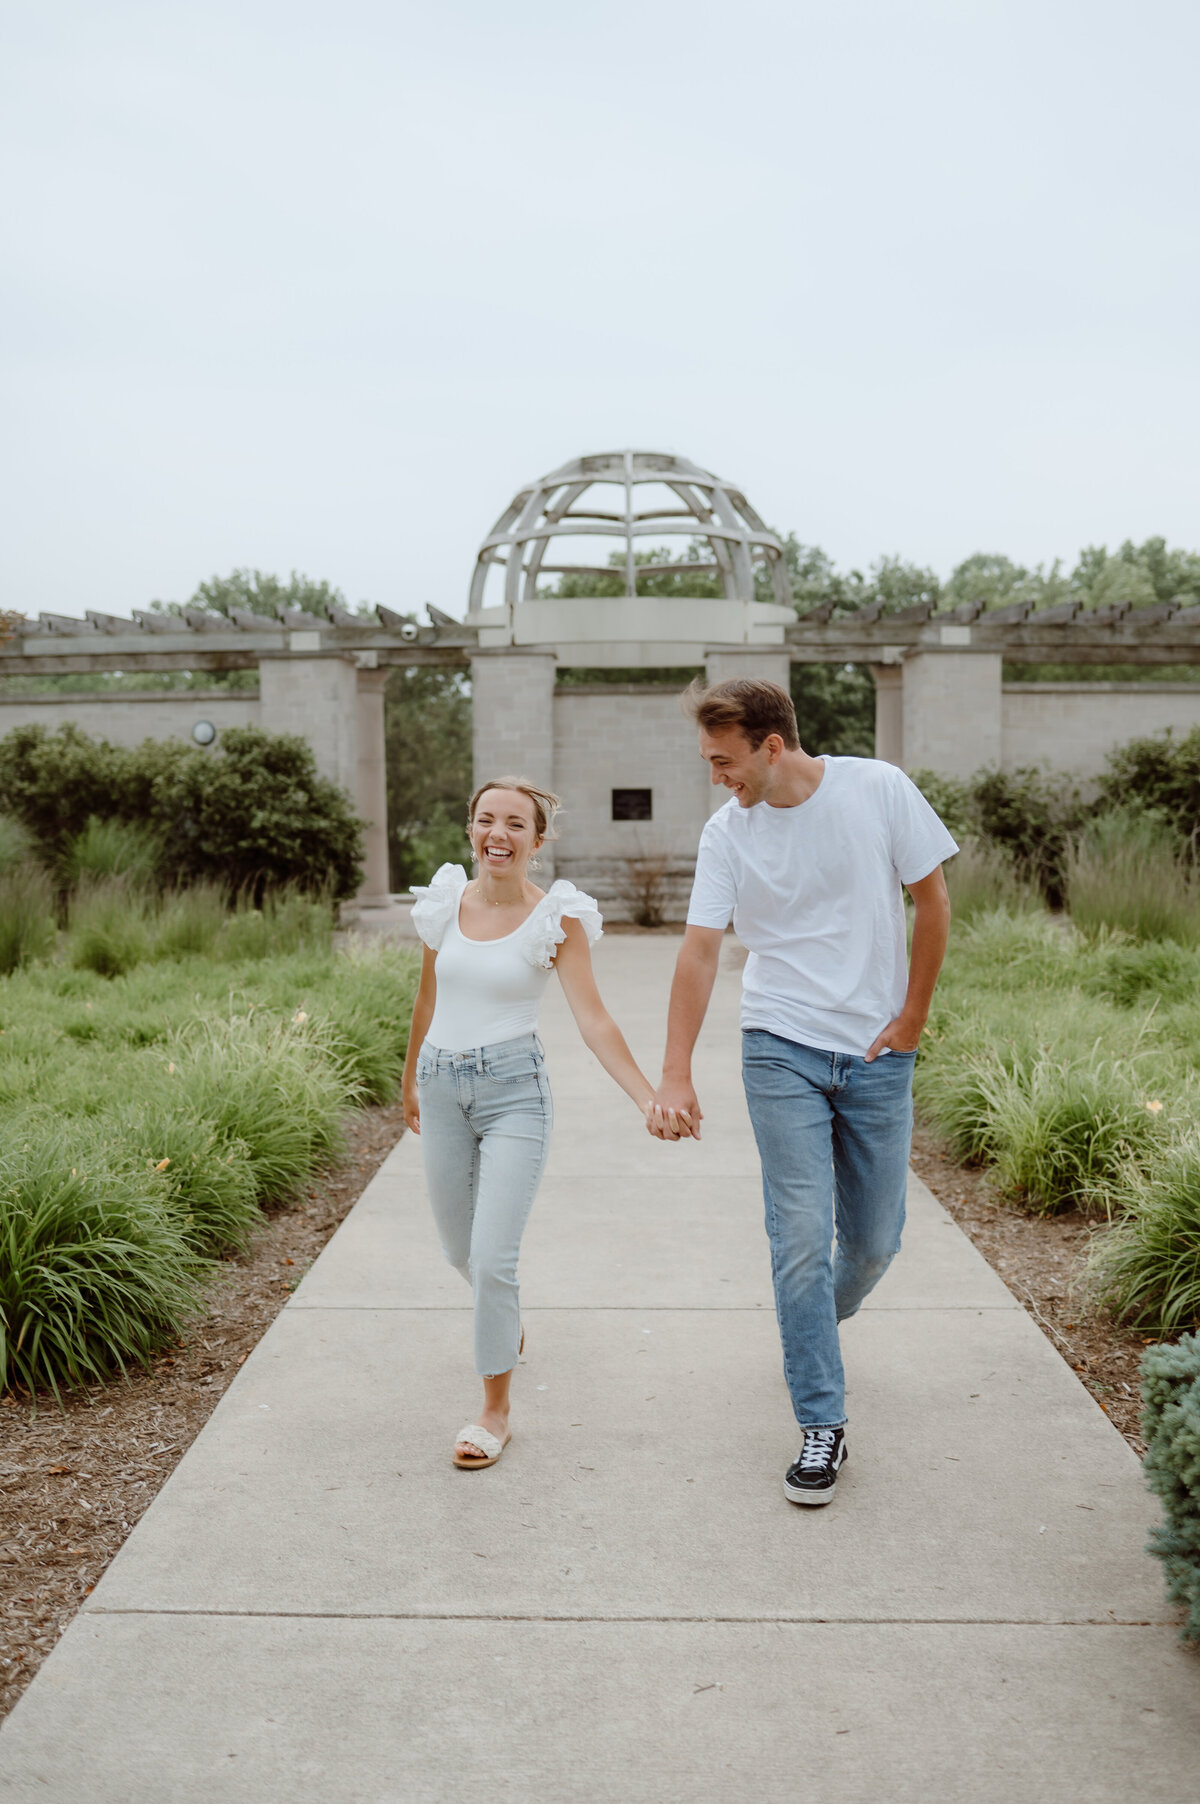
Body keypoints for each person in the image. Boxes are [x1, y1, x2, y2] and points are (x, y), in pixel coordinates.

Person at [649, 678, 957, 1506]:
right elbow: (701, 950)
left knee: (871, 1246)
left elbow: (931, 901)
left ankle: (809, 1323)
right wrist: (675, 1069)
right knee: (795, 1243)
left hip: (877, 1054)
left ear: (772, 746)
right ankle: (822, 1423)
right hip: (778, 1047)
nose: (717, 775)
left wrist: (914, 1017)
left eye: (724, 760)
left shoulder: (878, 789)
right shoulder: (728, 834)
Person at [402, 776, 658, 1471]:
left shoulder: (558, 919)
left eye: (516, 824)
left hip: (516, 1094)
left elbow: (594, 1019)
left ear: (538, 842)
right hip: (441, 1084)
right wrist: (409, 1082)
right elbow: (427, 999)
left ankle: (494, 1410)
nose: (498, 835)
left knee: (492, 1258)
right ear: (471, 829)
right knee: (461, 1253)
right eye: (487, 820)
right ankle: (503, 1320)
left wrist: (646, 1096)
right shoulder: (443, 903)